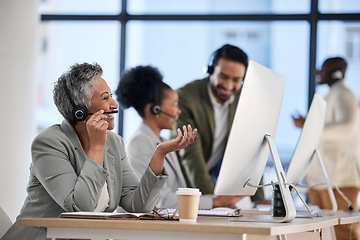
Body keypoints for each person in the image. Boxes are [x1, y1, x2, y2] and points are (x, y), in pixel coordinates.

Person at [2, 62, 196, 240]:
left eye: (111, 96)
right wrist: (96, 147)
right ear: (80, 110)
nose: (114, 104)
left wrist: (159, 154)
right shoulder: (49, 143)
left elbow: (139, 206)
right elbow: (80, 209)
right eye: (106, 98)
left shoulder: (114, 143)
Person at [116, 65, 243, 210]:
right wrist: (216, 202)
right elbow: (158, 200)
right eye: (174, 104)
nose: (179, 110)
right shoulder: (139, 145)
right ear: (155, 109)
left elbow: (177, 193)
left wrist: (217, 203)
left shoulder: (162, 142)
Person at [170, 44, 264, 202]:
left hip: (213, 182)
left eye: (236, 80)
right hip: (182, 185)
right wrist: (214, 204)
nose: (228, 86)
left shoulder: (245, 98)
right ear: (210, 70)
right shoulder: (186, 97)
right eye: (223, 77)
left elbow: (250, 150)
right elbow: (191, 157)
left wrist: (259, 200)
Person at [292, 57, 360, 240]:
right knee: (323, 234)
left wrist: (309, 124)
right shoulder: (331, 96)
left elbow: (347, 129)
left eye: (322, 69)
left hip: (340, 180)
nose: (318, 73)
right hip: (323, 180)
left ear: (335, 73)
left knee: (343, 233)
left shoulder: (344, 95)